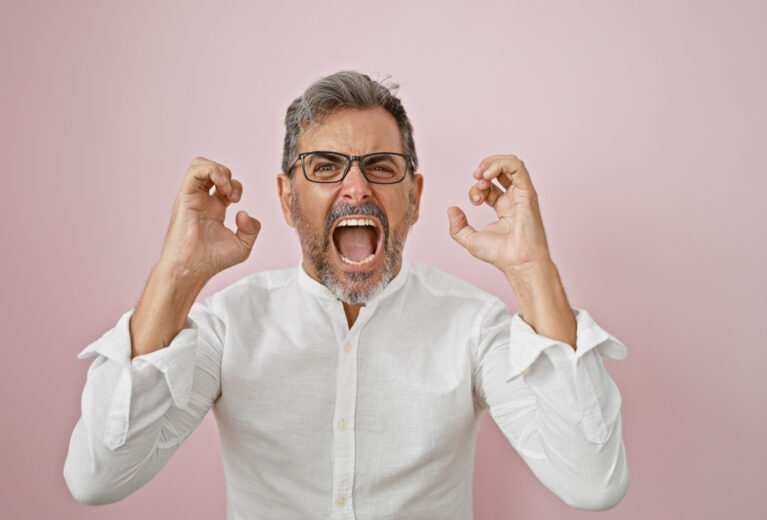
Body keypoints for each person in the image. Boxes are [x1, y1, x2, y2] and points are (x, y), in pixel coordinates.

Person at [64, 70, 629, 519]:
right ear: (287, 198)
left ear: (414, 195)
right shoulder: (229, 325)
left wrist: (533, 271)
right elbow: (98, 477)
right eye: (326, 166)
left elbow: (592, 483)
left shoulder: (472, 326)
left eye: (381, 167)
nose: (355, 187)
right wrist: (175, 276)